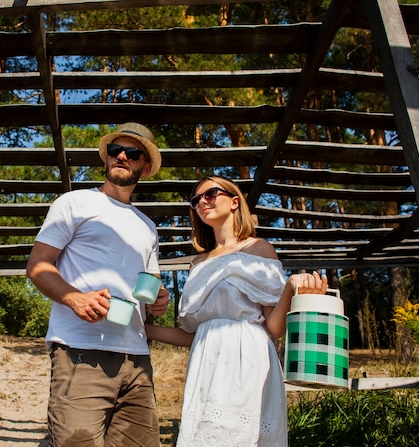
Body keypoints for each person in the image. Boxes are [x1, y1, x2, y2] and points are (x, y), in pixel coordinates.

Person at [145, 176, 328, 447]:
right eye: (196, 200)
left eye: (210, 194)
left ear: (234, 201)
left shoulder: (258, 248)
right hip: (205, 365)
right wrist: (143, 328)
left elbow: (274, 329)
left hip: (249, 361)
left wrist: (289, 289)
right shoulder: (196, 264)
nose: (202, 202)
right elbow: (195, 335)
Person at [26, 122, 170, 447]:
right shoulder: (74, 203)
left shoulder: (148, 227)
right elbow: (37, 266)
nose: (121, 156)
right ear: (105, 159)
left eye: (132, 153)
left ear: (144, 168)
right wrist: (75, 298)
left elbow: (150, 285)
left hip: (137, 358)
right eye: (115, 151)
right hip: (81, 351)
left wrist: (159, 299)